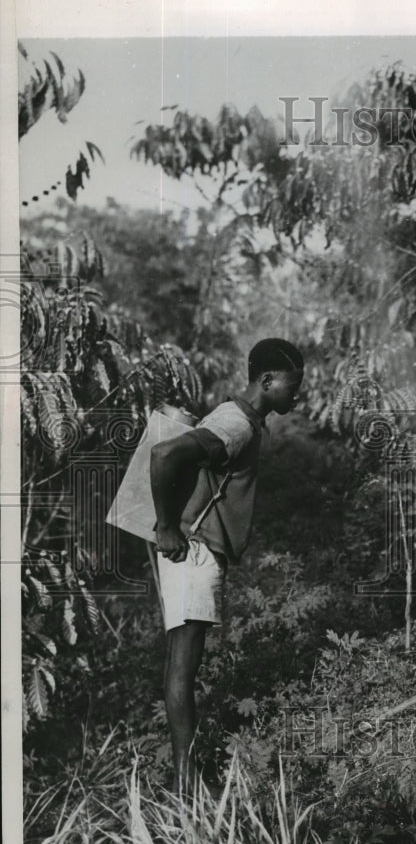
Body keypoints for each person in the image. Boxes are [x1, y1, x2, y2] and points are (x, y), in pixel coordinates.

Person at [150, 338, 304, 795]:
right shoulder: (236, 423)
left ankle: (184, 776)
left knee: (181, 663)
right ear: (267, 380)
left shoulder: (241, 419)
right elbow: (165, 455)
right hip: (193, 553)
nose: (296, 397)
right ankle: (186, 779)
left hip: (195, 551)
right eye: (292, 387)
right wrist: (166, 528)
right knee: (183, 666)